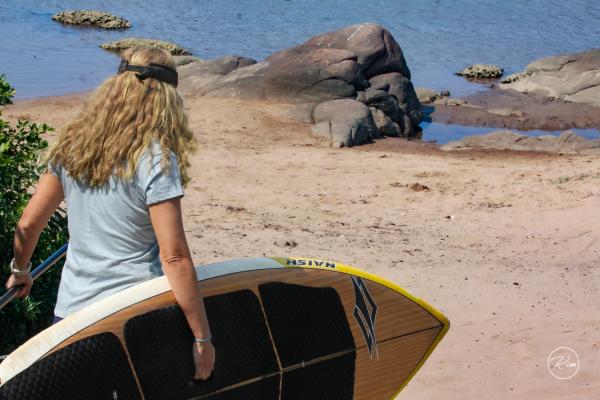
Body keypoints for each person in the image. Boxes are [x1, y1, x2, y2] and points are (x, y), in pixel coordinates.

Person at [3, 47, 215, 380]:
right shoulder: (155, 157)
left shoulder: (73, 146)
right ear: (167, 98)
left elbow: (28, 224)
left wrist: (20, 269)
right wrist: (203, 337)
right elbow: (174, 257)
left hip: (71, 318)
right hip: (131, 316)